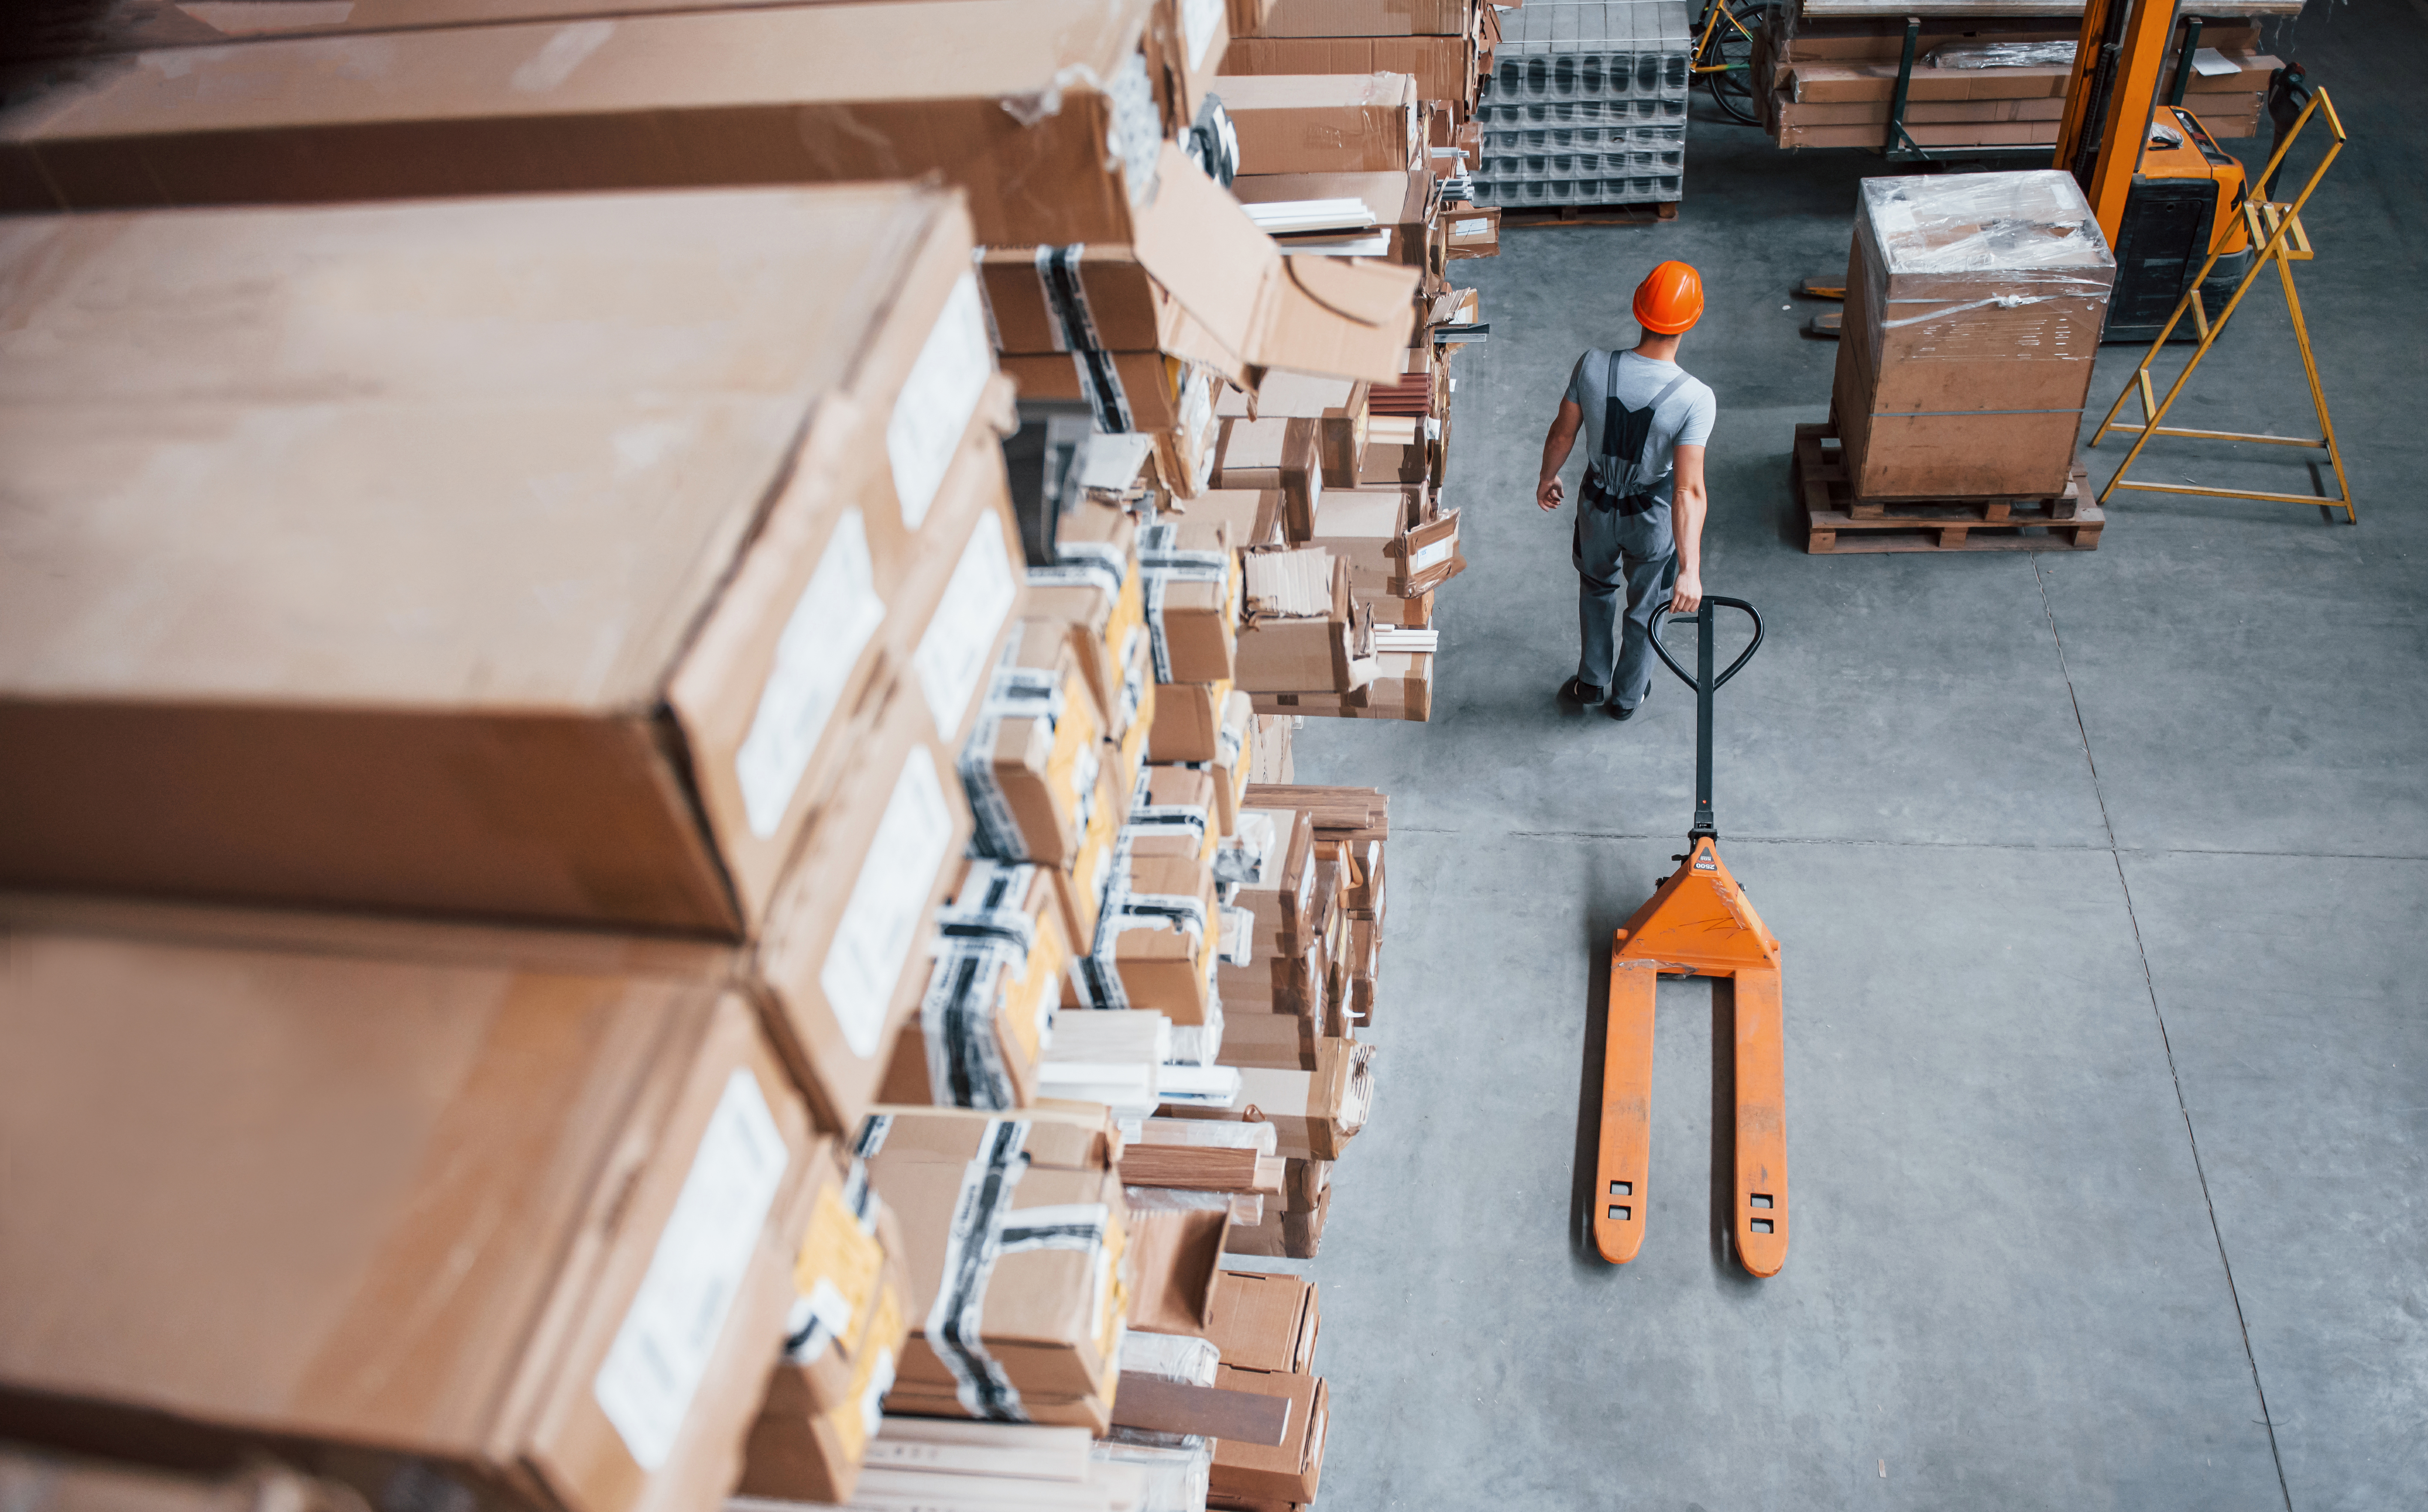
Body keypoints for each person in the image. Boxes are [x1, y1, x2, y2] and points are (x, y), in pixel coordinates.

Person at [1534, 261, 1716, 721]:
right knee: (1648, 603)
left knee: (1596, 587)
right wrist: (1690, 570)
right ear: (1691, 320)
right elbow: (1688, 490)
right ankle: (1628, 695)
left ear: (1640, 310)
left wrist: (1547, 476)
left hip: (1596, 505)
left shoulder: (1593, 364)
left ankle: (1592, 682)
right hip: (1650, 515)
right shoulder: (1695, 398)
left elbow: (1562, 433)